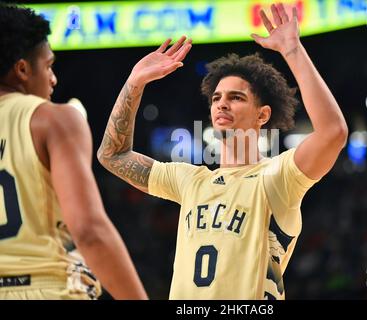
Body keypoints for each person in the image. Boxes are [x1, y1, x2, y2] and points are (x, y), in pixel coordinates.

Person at [97, 3, 347, 299]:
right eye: (216, 98)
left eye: (236, 97)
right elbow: (112, 155)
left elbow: (333, 132)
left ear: (262, 115)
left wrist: (292, 49)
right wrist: (134, 83)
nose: (221, 104)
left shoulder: (277, 177)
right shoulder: (190, 180)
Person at [0, 4, 147, 300]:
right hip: (46, 288)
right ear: (23, 69)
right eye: (49, 65)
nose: (53, 79)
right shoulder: (54, 118)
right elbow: (89, 230)